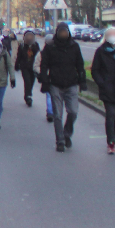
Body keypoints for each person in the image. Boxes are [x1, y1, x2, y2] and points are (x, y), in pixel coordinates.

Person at [39, 22, 86, 152]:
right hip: (55, 84)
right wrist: (45, 81)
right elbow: (44, 65)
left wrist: (82, 81)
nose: (63, 34)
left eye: (65, 32)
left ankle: (67, 134)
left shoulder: (74, 46)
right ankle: (60, 140)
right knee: (57, 115)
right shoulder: (50, 47)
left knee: (73, 112)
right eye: (61, 32)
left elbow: (80, 65)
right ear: (57, 33)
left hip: (71, 84)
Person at [15, 31, 40, 107]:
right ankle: (28, 96)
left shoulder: (35, 45)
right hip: (24, 66)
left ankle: (28, 94)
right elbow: (19, 56)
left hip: (33, 67)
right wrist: (17, 65)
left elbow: (38, 55)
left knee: (32, 81)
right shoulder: (22, 46)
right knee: (27, 81)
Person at [33, 33, 55, 122]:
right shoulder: (41, 53)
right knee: (49, 95)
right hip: (47, 78)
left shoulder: (58, 51)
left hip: (57, 77)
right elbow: (36, 65)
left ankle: (55, 112)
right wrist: (43, 73)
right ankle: (50, 112)